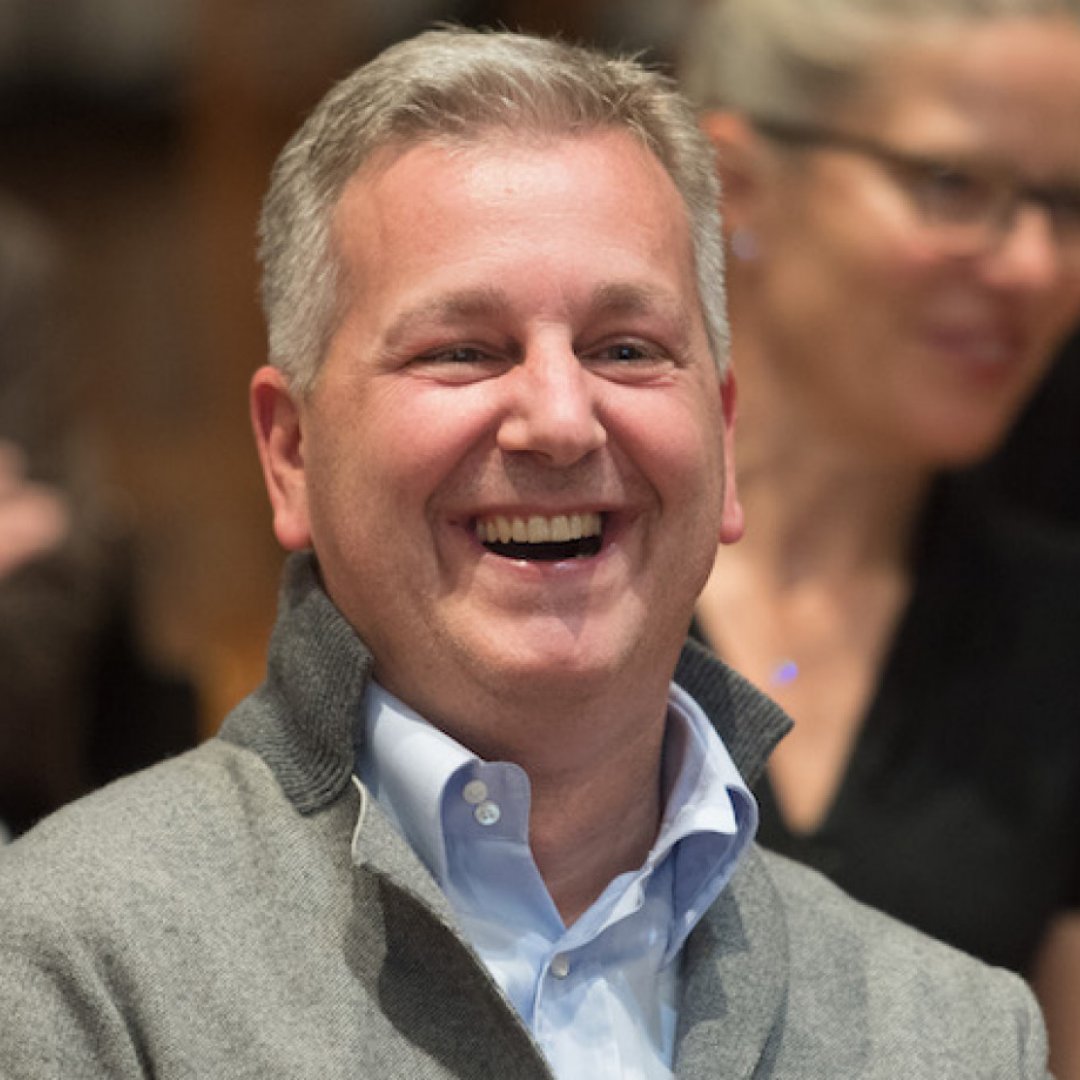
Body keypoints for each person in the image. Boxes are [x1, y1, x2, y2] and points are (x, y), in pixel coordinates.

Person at [0, 27, 1053, 1079]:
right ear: (292, 454)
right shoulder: (73, 971)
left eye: (626, 350)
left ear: (723, 441)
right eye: (462, 351)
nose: (560, 419)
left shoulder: (959, 1035)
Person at [679, 1, 1080, 1075]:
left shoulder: (1057, 642)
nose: (1035, 267)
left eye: (1067, 205)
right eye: (953, 184)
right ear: (737, 183)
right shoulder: (537, 587)